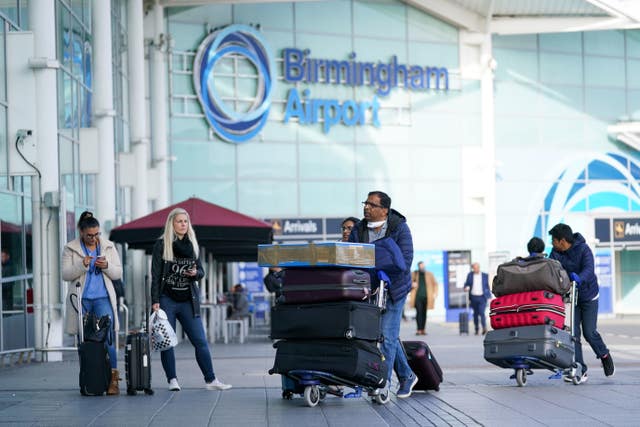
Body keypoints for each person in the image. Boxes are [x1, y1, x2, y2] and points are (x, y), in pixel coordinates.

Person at [151, 208, 232, 392]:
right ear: (171, 223)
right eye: (179, 221)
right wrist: (155, 300)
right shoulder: (162, 244)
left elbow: (202, 271)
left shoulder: (192, 245)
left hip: (188, 300)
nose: (183, 224)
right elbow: (155, 274)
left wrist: (196, 273)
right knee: (167, 341)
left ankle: (211, 380)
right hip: (167, 300)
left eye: (185, 221)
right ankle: (172, 379)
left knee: (200, 340)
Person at [349, 190, 417, 398]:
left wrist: (381, 265)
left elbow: (405, 262)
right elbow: (351, 256)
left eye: (372, 205)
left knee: (386, 336)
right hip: (369, 289)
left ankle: (383, 383)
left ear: (384, 210)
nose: (366, 208)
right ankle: (406, 375)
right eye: (365, 203)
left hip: (395, 288)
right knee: (381, 334)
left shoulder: (399, 228)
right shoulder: (359, 229)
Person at [61, 211, 123, 395]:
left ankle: (113, 380)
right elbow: (65, 274)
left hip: (103, 298)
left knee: (108, 339)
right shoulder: (70, 248)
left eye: (97, 234)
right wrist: (82, 264)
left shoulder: (109, 247)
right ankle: (88, 379)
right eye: (90, 235)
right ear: (81, 232)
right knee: (84, 342)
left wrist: (107, 266)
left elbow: (118, 273)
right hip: (81, 300)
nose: (94, 238)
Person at [548, 223, 614, 383]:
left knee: (590, 333)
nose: (552, 244)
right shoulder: (555, 253)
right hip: (572, 298)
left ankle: (604, 355)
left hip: (589, 295)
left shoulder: (583, 249)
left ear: (562, 241)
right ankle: (580, 368)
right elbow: (549, 269)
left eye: (554, 241)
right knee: (573, 334)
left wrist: (579, 277)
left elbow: (589, 269)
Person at [410, 261, 438, 335]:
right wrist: (412, 284)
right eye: (421, 266)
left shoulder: (429, 274)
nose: (422, 267)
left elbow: (435, 284)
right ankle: (418, 329)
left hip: (427, 297)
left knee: (424, 313)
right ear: (418, 266)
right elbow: (409, 282)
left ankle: (423, 329)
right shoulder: (414, 274)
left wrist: (435, 293)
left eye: (423, 266)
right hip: (417, 297)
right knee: (419, 312)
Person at [463, 263, 491, 335]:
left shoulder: (485, 275)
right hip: (473, 297)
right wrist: (466, 287)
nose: (476, 269)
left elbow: (488, 286)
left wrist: (489, 295)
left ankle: (484, 328)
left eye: (477, 267)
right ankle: (476, 329)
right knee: (475, 314)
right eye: (474, 268)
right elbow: (467, 284)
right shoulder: (470, 275)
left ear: (479, 267)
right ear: (473, 268)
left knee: (482, 313)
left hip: (482, 297)